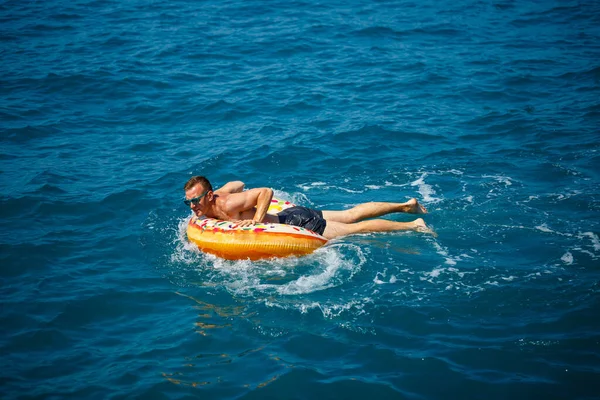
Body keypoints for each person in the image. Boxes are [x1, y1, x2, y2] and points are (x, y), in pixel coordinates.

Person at [183, 176, 435, 240]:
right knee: (350, 213)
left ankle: (414, 224)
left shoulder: (226, 202)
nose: (192, 206)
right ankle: (406, 205)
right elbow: (237, 183)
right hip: (291, 214)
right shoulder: (217, 199)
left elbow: (265, 192)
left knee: (356, 228)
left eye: (195, 200)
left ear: (210, 196)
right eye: (188, 202)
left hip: (294, 224)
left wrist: (257, 221)